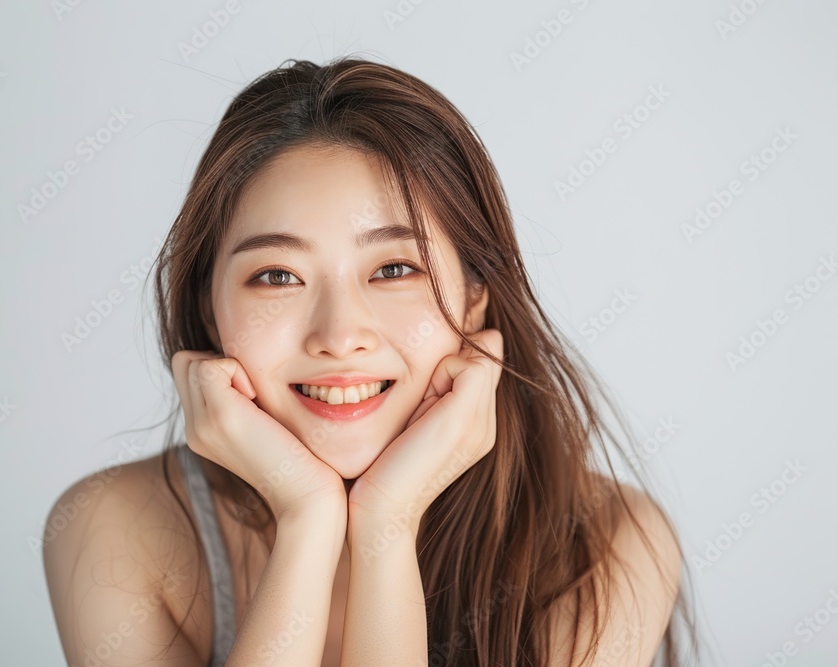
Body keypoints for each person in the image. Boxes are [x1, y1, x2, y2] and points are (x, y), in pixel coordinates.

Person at [43, 56, 698, 666]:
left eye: (392, 268)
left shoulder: (603, 543)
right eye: (276, 276)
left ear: (475, 298)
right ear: (208, 306)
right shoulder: (113, 527)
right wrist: (308, 520)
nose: (339, 335)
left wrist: (387, 522)